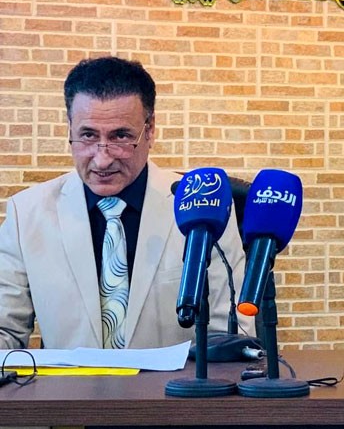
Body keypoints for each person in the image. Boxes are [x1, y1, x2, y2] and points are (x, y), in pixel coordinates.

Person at [0, 56, 252, 349]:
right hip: (70, 381)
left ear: (150, 130)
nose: (102, 159)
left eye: (120, 136)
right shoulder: (26, 214)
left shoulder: (205, 210)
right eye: (87, 135)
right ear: (69, 128)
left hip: (174, 381)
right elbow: (5, 332)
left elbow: (231, 336)